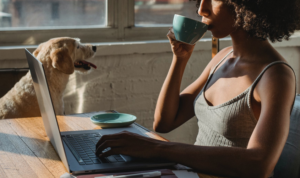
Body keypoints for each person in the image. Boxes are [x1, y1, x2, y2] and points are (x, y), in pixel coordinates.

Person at [95, 0, 300, 177]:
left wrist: (157, 148)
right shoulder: (222, 58)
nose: (202, 9)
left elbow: (259, 165)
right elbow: (164, 122)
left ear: (245, 5)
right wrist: (180, 59)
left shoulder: (276, 76)